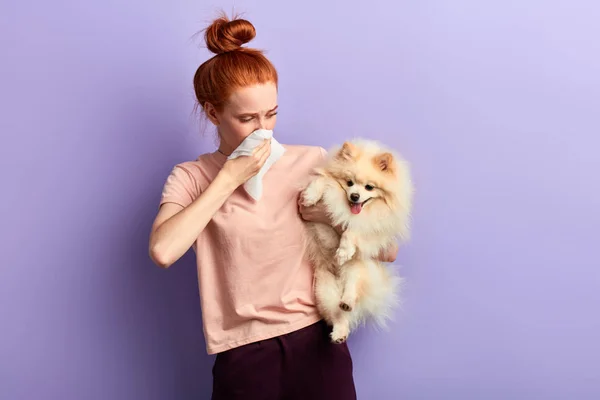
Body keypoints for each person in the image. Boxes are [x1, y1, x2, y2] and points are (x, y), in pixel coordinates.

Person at [149, 13, 398, 400]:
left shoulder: (312, 162)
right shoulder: (192, 177)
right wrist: (229, 178)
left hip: (319, 339)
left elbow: (388, 248)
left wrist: (332, 218)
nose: (263, 130)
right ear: (213, 113)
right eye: (247, 118)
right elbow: (164, 251)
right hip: (244, 353)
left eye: (272, 114)